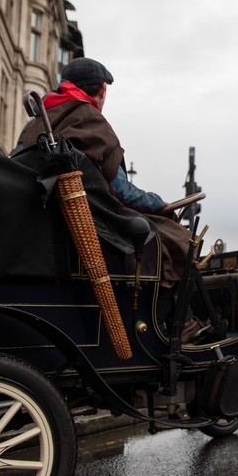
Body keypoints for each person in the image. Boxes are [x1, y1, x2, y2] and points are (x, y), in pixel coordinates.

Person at [18, 57, 198, 337]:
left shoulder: (35, 125)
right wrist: (159, 203)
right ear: (101, 90)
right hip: (95, 227)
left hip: (47, 225)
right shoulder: (89, 117)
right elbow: (122, 191)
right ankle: (167, 326)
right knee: (179, 241)